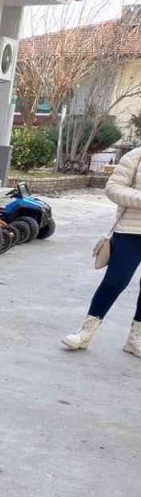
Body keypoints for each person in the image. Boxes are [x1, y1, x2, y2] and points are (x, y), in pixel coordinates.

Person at [62, 144, 141, 354]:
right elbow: (113, 188)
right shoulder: (136, 156)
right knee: (115, 281)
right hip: (131, 231)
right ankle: (85, 333)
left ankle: (136, 339)